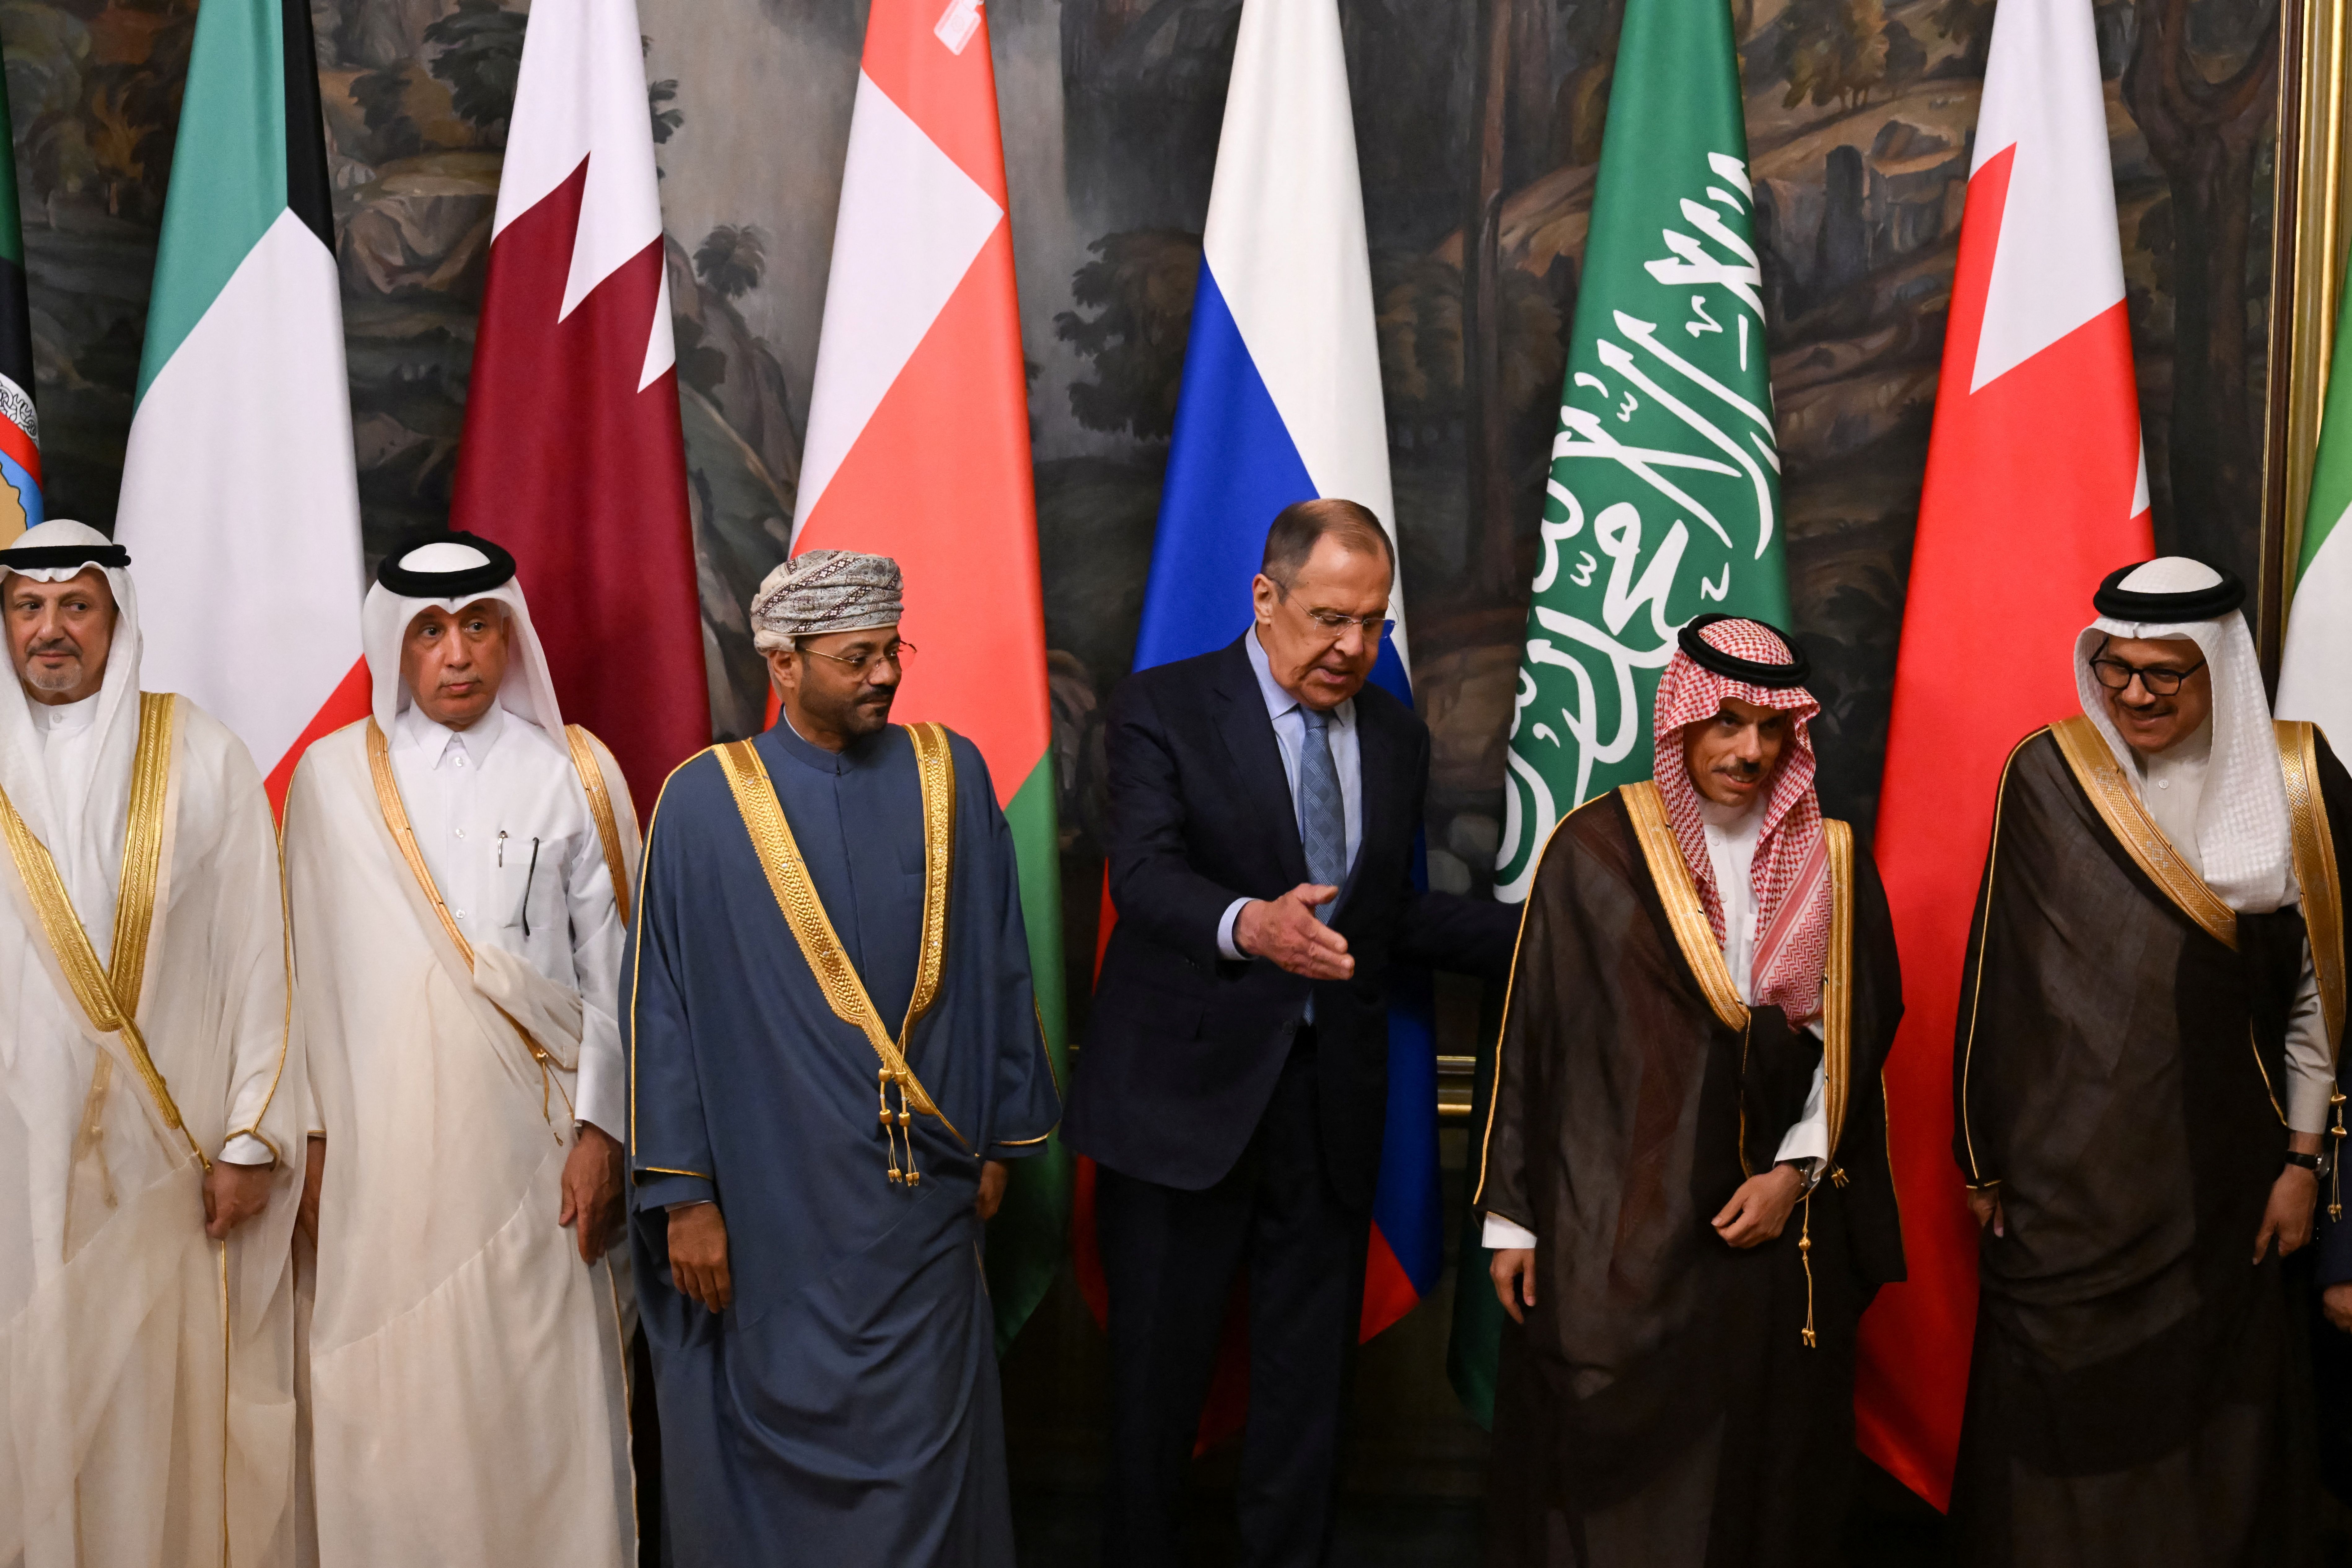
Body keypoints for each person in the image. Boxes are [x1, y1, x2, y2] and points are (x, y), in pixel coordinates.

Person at [1065, 499, 1519, 1568]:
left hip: (1328, 1106)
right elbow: (1144, 879)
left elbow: (1384, 914)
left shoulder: (1395, 736)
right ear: (1265, 599)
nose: (1352, 648)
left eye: (1372, 623)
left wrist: (1556, 930)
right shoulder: (1162, 708)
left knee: (1306, 1401)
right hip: (1180, 1109)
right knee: (1153, 1399)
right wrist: (1248, 925)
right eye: (1328, 619)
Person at [627, 548, 1060, 1568]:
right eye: (855, 657)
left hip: (925, 1207)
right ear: (782, 664)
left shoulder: (950, 773)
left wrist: (999, 1137)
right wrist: (683, 1199)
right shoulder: (701, 802)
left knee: (929, 1460)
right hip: (771, 1213)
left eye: (891, 650)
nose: (884, 675)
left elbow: (1001, 960)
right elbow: (663, 1009)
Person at [1474, 614, 1906, 1565]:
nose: (1748, 752)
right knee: (1603, 1456)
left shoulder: (1830, 859)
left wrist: (1793, 1175)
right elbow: (1534, 1034)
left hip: (1762, 1214)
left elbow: (1854, 1039)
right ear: (1682, 721)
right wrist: (1513, 1218)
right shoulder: (1594, 848)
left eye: (1771, 731)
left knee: (1754, 1453)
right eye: (1727, 724)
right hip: (1614, 1216)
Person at [1950, 557, 2349, 1566]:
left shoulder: (2298, 779)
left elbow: (2321, 998)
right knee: (2057, 1426)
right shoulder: (2049, 773)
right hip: (2067, 1191)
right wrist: (1984, 1161)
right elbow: (1998, 984)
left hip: (2227, 1181)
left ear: (2221, 666)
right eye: (2115, 669)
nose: (2134, 695)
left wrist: (2302, 1164)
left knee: (2215, 1432)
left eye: (2165, 672)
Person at [283, 530, 638, 1567]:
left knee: (532, 1411)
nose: (456, 654)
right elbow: (299, 975)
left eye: (478, 626)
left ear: (508, 635)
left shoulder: (574, 771)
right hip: (378, 1165)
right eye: (430, 631)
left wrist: (602, 1134)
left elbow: (619, 979)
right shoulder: (331, 781)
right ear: (396, 644)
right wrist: (310, 1144)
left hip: (536, 1162)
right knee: (391, 1413)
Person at [0, 519, 304, 1566]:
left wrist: (253, 1135)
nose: (50, 630)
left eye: (75, 606)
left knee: (142, 1416)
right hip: (8, 1157)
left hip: (159, 1160)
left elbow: (261, 957)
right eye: (28, 607)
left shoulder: (202, 757)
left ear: (116, 619)